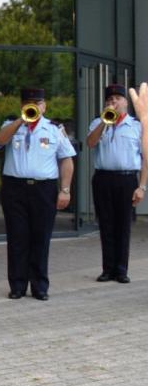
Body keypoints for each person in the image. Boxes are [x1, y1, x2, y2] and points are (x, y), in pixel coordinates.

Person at [0, 87, 76, 301]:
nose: (34, 107)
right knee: (17, 237)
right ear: (22, 105)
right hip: (15, 188)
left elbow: (67, 159)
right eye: (29, 103)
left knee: (41, 238)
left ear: (44, 106)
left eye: (38, 103)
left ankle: (40, 285)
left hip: (44, 189)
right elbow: (0, 140)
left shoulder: (54, 129)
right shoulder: (11, 125)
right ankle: (17, 285)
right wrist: (20, 121)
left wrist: (65, 190)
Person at [85, 84, 145, 284]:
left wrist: (142, 186)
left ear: (125, 102)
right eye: (109, 100)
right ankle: (107, 268)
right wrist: (104, 122)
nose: (113, 103)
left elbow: (146, 158)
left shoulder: (137, 126)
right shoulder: (97, 123)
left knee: (123, 225)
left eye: (116, 99)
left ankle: (121, 269)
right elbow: (90, 143)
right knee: (107, 224)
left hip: (127, 179)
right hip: (103, 178)